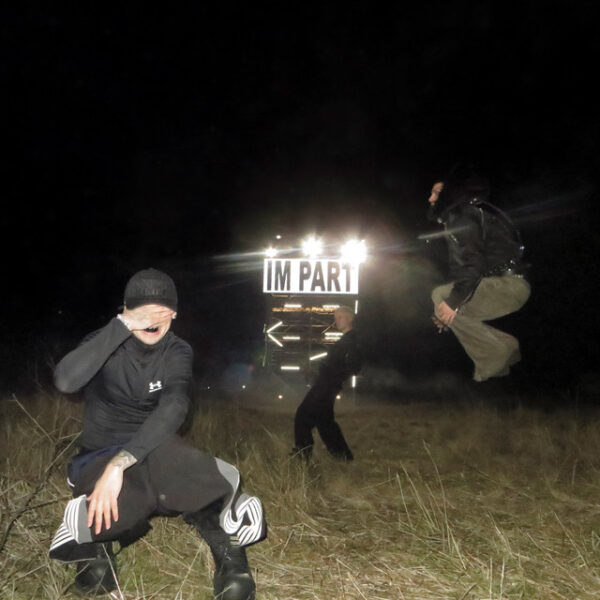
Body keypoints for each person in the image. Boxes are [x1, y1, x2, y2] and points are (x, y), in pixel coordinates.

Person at [49, 268, 266, 600]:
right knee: (103, 557)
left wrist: (122, 463)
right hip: (98, 457)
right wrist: (122, 325)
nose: (151, 319)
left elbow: (175, 406)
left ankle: (231, 556)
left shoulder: (177, 351)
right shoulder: (104, 341)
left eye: (161, 310)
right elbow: (66, 381)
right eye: (142, 310)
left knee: (174, 462)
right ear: (125, 310)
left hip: (153, 452)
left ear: (174, 313)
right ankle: (90, 536)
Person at [427, 175, 531, 383]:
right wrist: (448, 310)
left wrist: (451, 302)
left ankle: (494, 354)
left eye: (436, 193)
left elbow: (474, 265)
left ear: (449, 194)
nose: (431, 199)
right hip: (509, 286)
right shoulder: (466, 217)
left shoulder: (464, 217)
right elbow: (463, 271)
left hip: (507, 285)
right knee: (445, 302)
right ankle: (507, 345)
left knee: (440, 295)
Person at [293, 306, 361, 461]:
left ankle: (302, 456)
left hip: (326, 386)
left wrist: (333, 377)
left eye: (340, 317)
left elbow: (354, 366)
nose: (337, 321)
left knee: (303, 416)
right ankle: (343, 457)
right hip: (327, 384)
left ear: (350, 319)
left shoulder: (351, 340)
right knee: (324, 422)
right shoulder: (346, 340)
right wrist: (314, 374)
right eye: (336, 318)